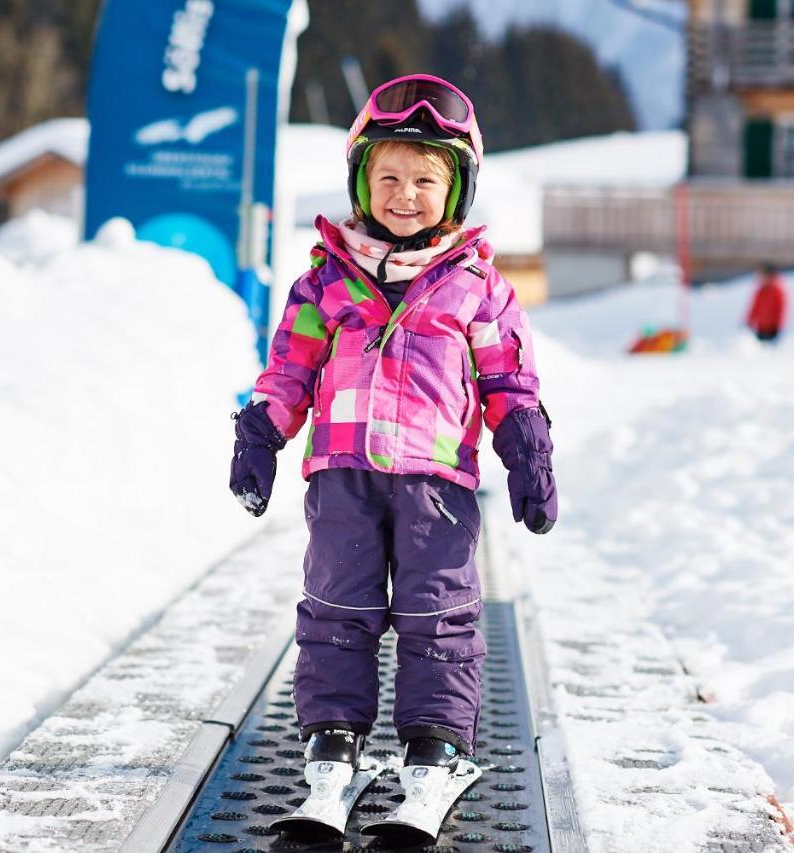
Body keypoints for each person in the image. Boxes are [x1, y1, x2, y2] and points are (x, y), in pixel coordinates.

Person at [228, 74, 557, 808]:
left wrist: (528, 454)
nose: (405, 194)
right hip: (342, 476)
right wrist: (260, 434)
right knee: (335, 606)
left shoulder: (478, 288)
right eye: (389, 177)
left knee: (437, 610)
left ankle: (436, 739)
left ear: (457, 190)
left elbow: (510, 382)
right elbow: (289, 370)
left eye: (424, 180)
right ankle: (333, 734)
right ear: (360, 181)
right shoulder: (325, 285)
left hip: (436, 484)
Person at [746, 262, 788, 343]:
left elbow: (780, 309)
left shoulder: (777, 290)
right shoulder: (761, 290)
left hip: (773, 328)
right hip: (761, 326)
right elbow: (755, 306)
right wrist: (750, 320)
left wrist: (778, 325)